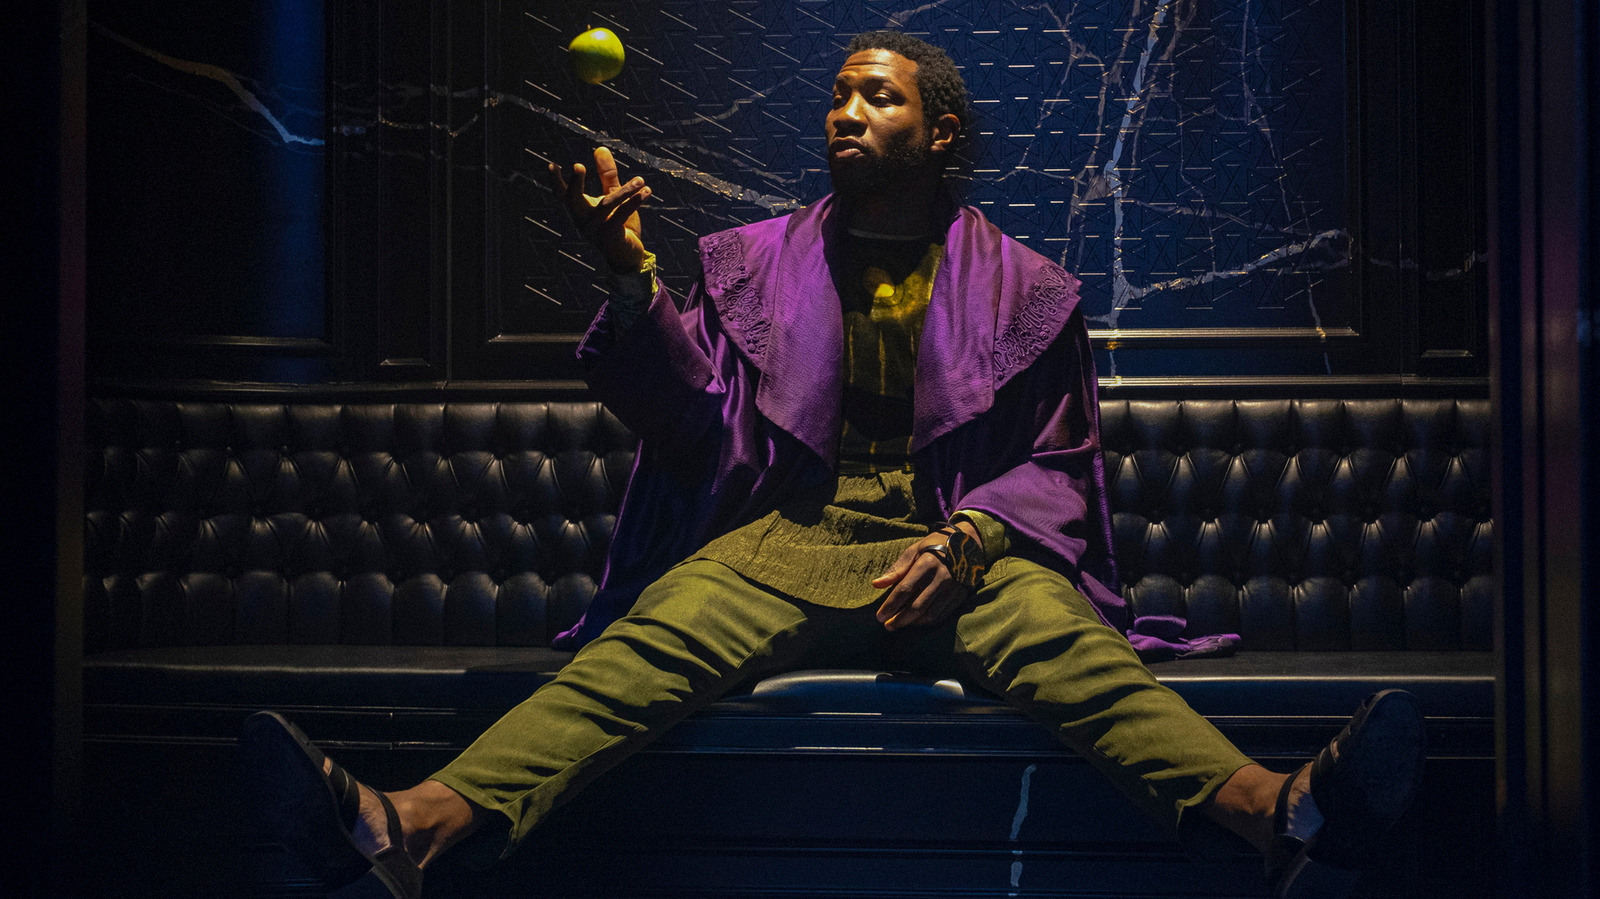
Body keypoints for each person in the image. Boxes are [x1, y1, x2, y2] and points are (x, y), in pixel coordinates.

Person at [241, 31, 1424, 899]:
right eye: (838, 97)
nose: (845, 114)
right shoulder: (750, 265)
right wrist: (631, 278)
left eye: (877, 96)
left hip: (958, 545)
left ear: (940, 132)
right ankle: (406, 825)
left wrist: (971, 539)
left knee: (1075, 653)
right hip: (785, 535)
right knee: (635, 653)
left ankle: (1280, 811)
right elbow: (693, 424)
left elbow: (1058, 462)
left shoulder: (1027, 287)